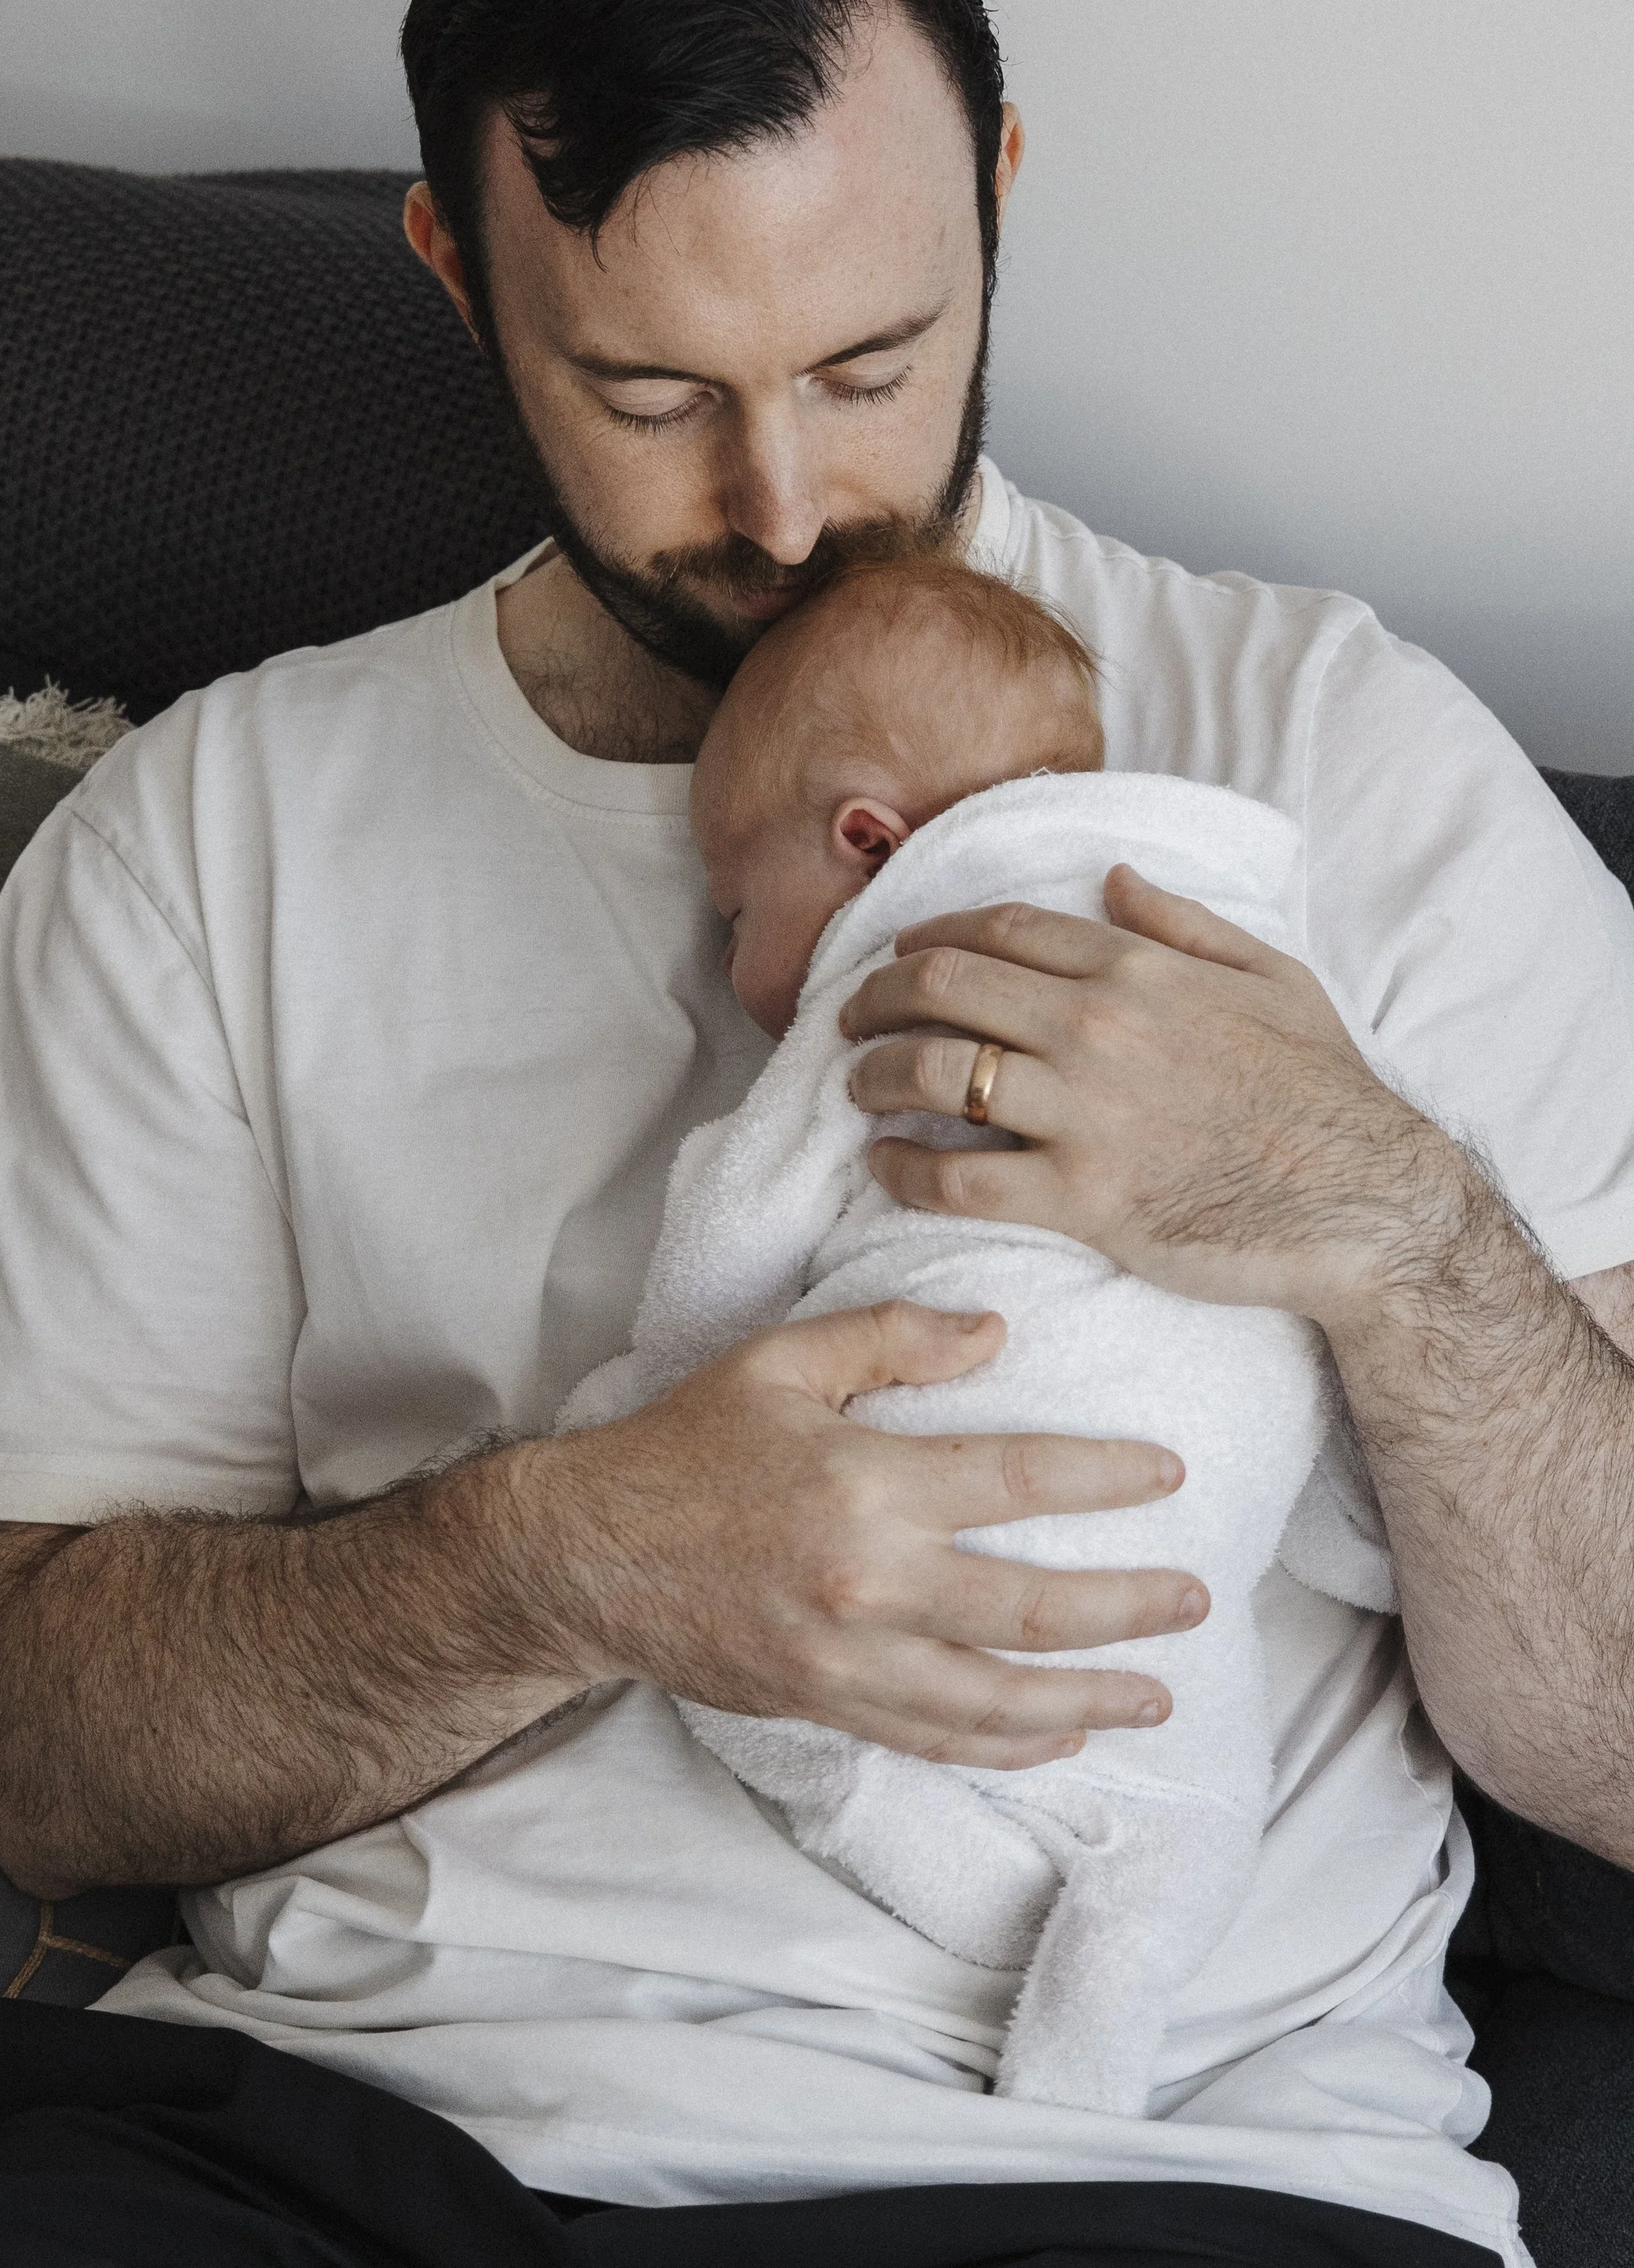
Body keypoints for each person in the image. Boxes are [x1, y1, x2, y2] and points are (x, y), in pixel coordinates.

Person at [0, 0, 1634, 2268]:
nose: (779, 503)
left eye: (873, 359)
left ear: (1000, 195)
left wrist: (1388, 1227)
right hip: (363, 2151)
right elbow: (61, 1763)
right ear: (452, 271)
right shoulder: (212, 842)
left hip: (1165, 2180)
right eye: (651, 394)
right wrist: (576, 1562)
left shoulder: (1335, 762)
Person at [558, 550, 1400, 2125]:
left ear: (863, 842)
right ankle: (1079, 2107)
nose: (736, 965)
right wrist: (1363, 1546)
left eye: (737, 908)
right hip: (1183, 1597)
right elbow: (1327, 1271)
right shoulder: (1238, 959)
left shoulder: (898, 971)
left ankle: (999, 1998)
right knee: (1178, 1842)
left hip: (921, 1526)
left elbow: (734, 1225)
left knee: (745, 1678)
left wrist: (646, 1413)